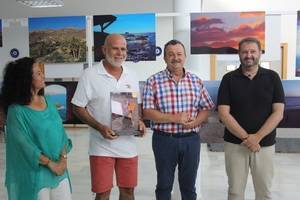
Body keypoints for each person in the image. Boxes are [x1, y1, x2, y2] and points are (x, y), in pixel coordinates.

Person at [71, 34, 146, 200]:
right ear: (104, 50)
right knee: (103, 193)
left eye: (123, 49)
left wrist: (138, 123)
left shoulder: (132, 75)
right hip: (101, 146)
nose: (119, 53)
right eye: (115, 48)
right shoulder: (89, 75)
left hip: (128, 146)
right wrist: (100, 127)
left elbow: (135, 106)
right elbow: (77, 107)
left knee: (128, 192)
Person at [142, 39, 215, 200]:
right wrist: (175, 118)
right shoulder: (153, 81)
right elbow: (147, 112)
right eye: (171, 54)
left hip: (191, 140)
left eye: (179, 54)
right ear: (165, 58)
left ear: (185, 56)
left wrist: (195, 122)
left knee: (189, 186)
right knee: (164, 185)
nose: (176, 58)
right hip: (164, 140)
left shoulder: (195, 81)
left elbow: (207, 107)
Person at [217, 37, 285, 200]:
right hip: (235, 144)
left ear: (260, 53)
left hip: (265, 145)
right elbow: (224, 114)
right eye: (244, 52)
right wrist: (247, 138)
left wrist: (257, 138)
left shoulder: (273, 77)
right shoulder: (229, 79)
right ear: (239, 54)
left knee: (264, 192)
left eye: (252, 51)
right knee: (235, 192)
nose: (249, 55)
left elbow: (278, 113)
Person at [1, 57, 72, 200]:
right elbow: (24, 146)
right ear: (26, 79)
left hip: (59, 170)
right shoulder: (17, 111)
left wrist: (63, 160)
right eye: (38, 73)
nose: (43, 76)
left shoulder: (48, 102)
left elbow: (61, 134)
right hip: (35, 174)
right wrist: (50, 164)